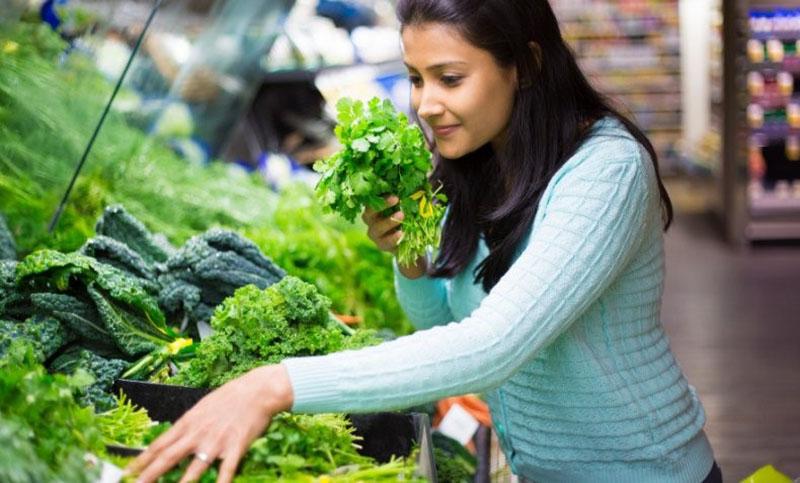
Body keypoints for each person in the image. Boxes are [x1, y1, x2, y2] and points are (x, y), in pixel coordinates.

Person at [129, 1, 722, 482]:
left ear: (527, 64)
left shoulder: (607, 171)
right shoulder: (483, 162)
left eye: (450, 78)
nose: (425, 104)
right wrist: (410, 262)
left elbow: (494, 345)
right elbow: (441, 319)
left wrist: (278, 383)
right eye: (416, 78)